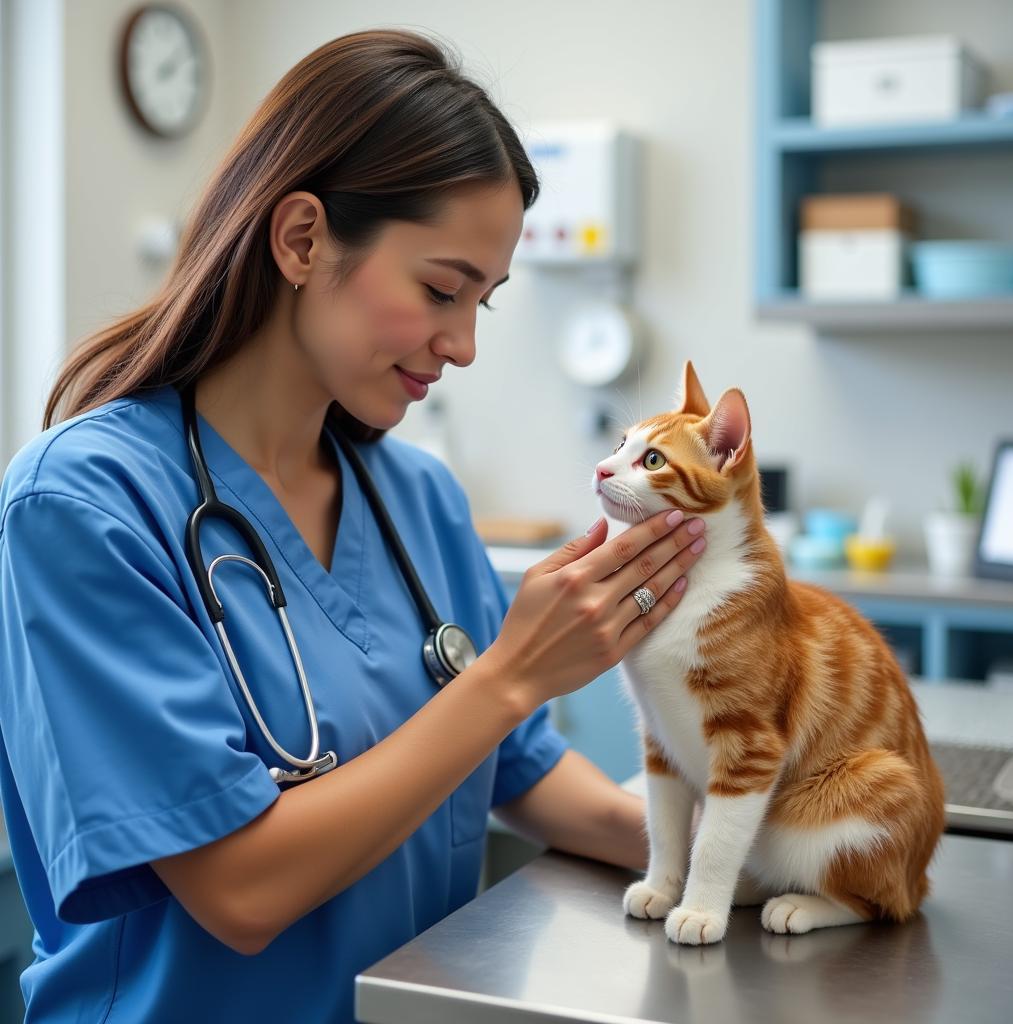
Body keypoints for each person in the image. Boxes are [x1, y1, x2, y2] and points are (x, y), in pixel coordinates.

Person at [0, 28, 706, 1024]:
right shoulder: (83, 507)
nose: (461, 344)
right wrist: (512, 674)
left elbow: (522, 771)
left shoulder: (418, 499)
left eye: (483, 303)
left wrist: (736, 855)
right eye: (439, 289)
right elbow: (240, 890)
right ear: (300, 240)